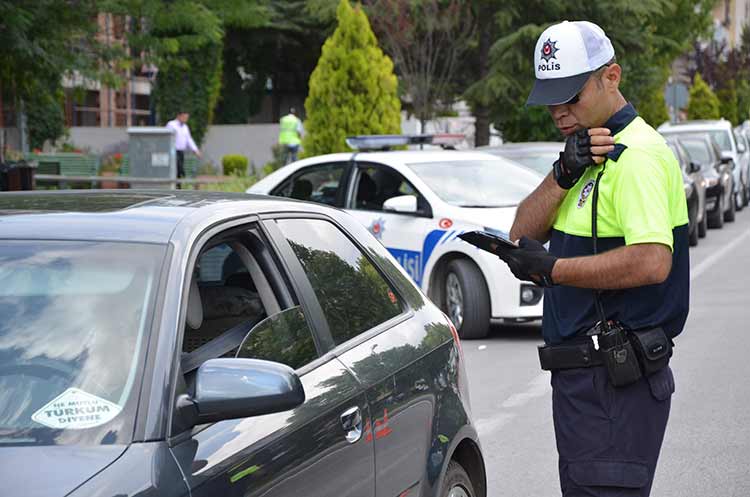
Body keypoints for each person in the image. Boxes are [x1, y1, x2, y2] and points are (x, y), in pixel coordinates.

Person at [500, 21, 689, 497]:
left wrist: (554, 270)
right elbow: (522, 232)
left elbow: (652, 262)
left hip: (613, 385)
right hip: (589, 385)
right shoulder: (586, 152)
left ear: (612, 77)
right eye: (551, 102)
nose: (561, 113)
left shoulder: (638, 156)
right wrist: (564, 171)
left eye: (572, 96)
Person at [166, 111, 202, 189]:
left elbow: (189, 139)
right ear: (179, 116)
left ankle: (179, 187)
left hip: (181, 152)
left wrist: (195, 150)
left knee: (180, 170)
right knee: (178, 169)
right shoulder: (171, 124)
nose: (185, 119)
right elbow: (167, 138)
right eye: (184, 117)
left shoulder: (185, 127)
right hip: (172, 152)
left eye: (187, 118)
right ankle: (174, 186)